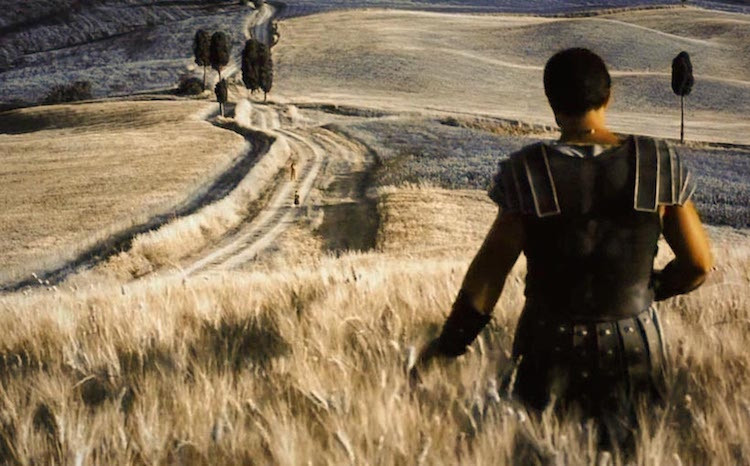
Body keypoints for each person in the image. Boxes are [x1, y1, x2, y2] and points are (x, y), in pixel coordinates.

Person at [413, 48, 713, 452]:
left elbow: (489, 276)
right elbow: (698, 265)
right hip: (634, 348)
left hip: (546, 346)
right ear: (609, 97)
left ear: (553, 105)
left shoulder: (527, 172)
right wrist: (648, 289)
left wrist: (448, 346)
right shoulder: (656, 162)